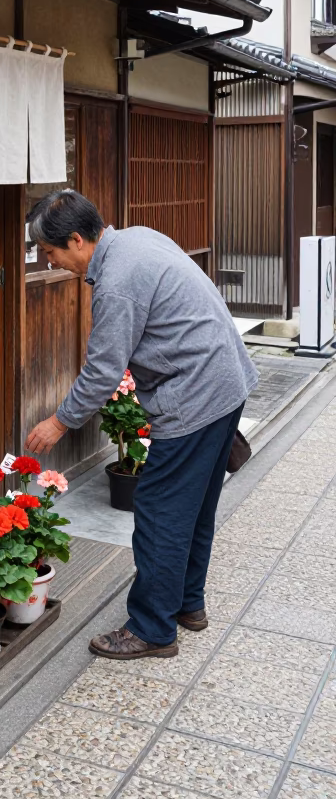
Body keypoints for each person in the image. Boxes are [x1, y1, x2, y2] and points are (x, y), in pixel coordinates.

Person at [24, 190, 257, 660]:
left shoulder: (117, 282)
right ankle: (188, 605)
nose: (52, 262)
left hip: (195, 395)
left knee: (158, 511)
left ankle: (152, 628)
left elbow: (103, 371)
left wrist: (59, 422)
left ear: (76, 239)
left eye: (51, 252)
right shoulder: (136, 237)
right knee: (195, 506)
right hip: (225, 379)